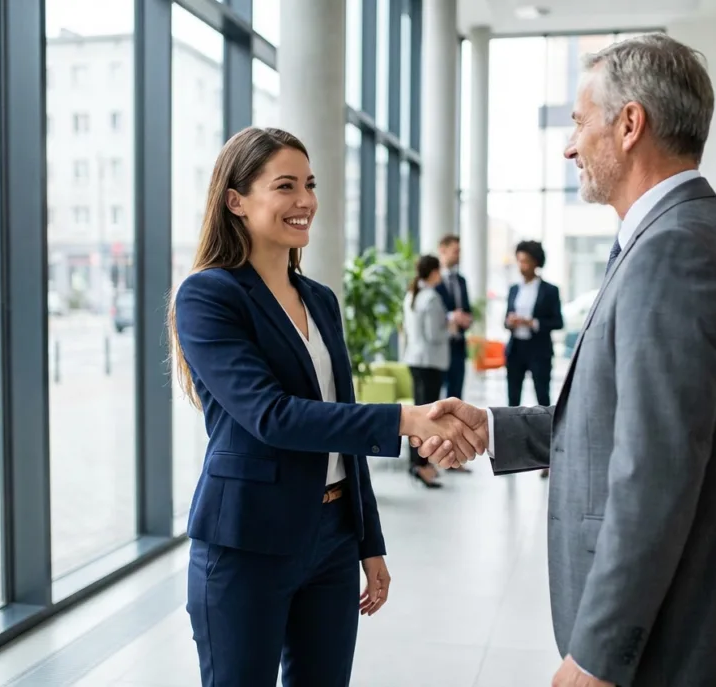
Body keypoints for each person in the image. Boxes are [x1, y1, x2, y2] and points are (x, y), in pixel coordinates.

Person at [415, 34, 716, 687]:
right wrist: (492, 426)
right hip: (693, 619)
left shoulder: (675, 251)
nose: (569, 146)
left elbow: (656, 470)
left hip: (680, 635)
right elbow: (624, 423)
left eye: (578, 123)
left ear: (629, 124)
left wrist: (597, 654)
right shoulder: (691, 234)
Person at [170, 126, 485, 687]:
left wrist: (368, 541)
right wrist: (406, 420)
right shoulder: (209, 294)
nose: (305, 201)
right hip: (247, 542)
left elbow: (341, 416)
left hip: (333, 537)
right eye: (285, 185)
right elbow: (273, 416)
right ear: (235, 201)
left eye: (309, 185)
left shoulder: (320, 299)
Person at [402, 254, 450, 488]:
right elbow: (434, 335)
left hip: (414, 358)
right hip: (429, 362)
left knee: (418, 414)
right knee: (427, 417)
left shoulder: (411, 294)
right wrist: (450, 325)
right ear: (432, 272)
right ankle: (420, 465)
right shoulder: (431, 298)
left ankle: (420, 463)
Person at [505, 240, 564, 407]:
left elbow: (558, 322)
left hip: (539, 350)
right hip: (516, 349)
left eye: (525, 261)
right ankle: (511, 431)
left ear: (535, 263)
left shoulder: (550, 290)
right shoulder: (514, 289)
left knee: (542, 395)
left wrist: (533, 323)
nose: (521, 266)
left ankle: (545, 431)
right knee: (513, 397)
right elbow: (505, 319)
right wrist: (510, 322)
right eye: (519, 261)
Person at [434, 235, 472, 399]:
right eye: (455, 251)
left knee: (456, 396)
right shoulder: (433, 280)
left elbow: (467, 308)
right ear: (442, 250)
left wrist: (466, 319)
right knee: (435, 396)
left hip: (457, 345)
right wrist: (451, 317)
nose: (459, 255)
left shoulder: (461, 280)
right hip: (438, 345)